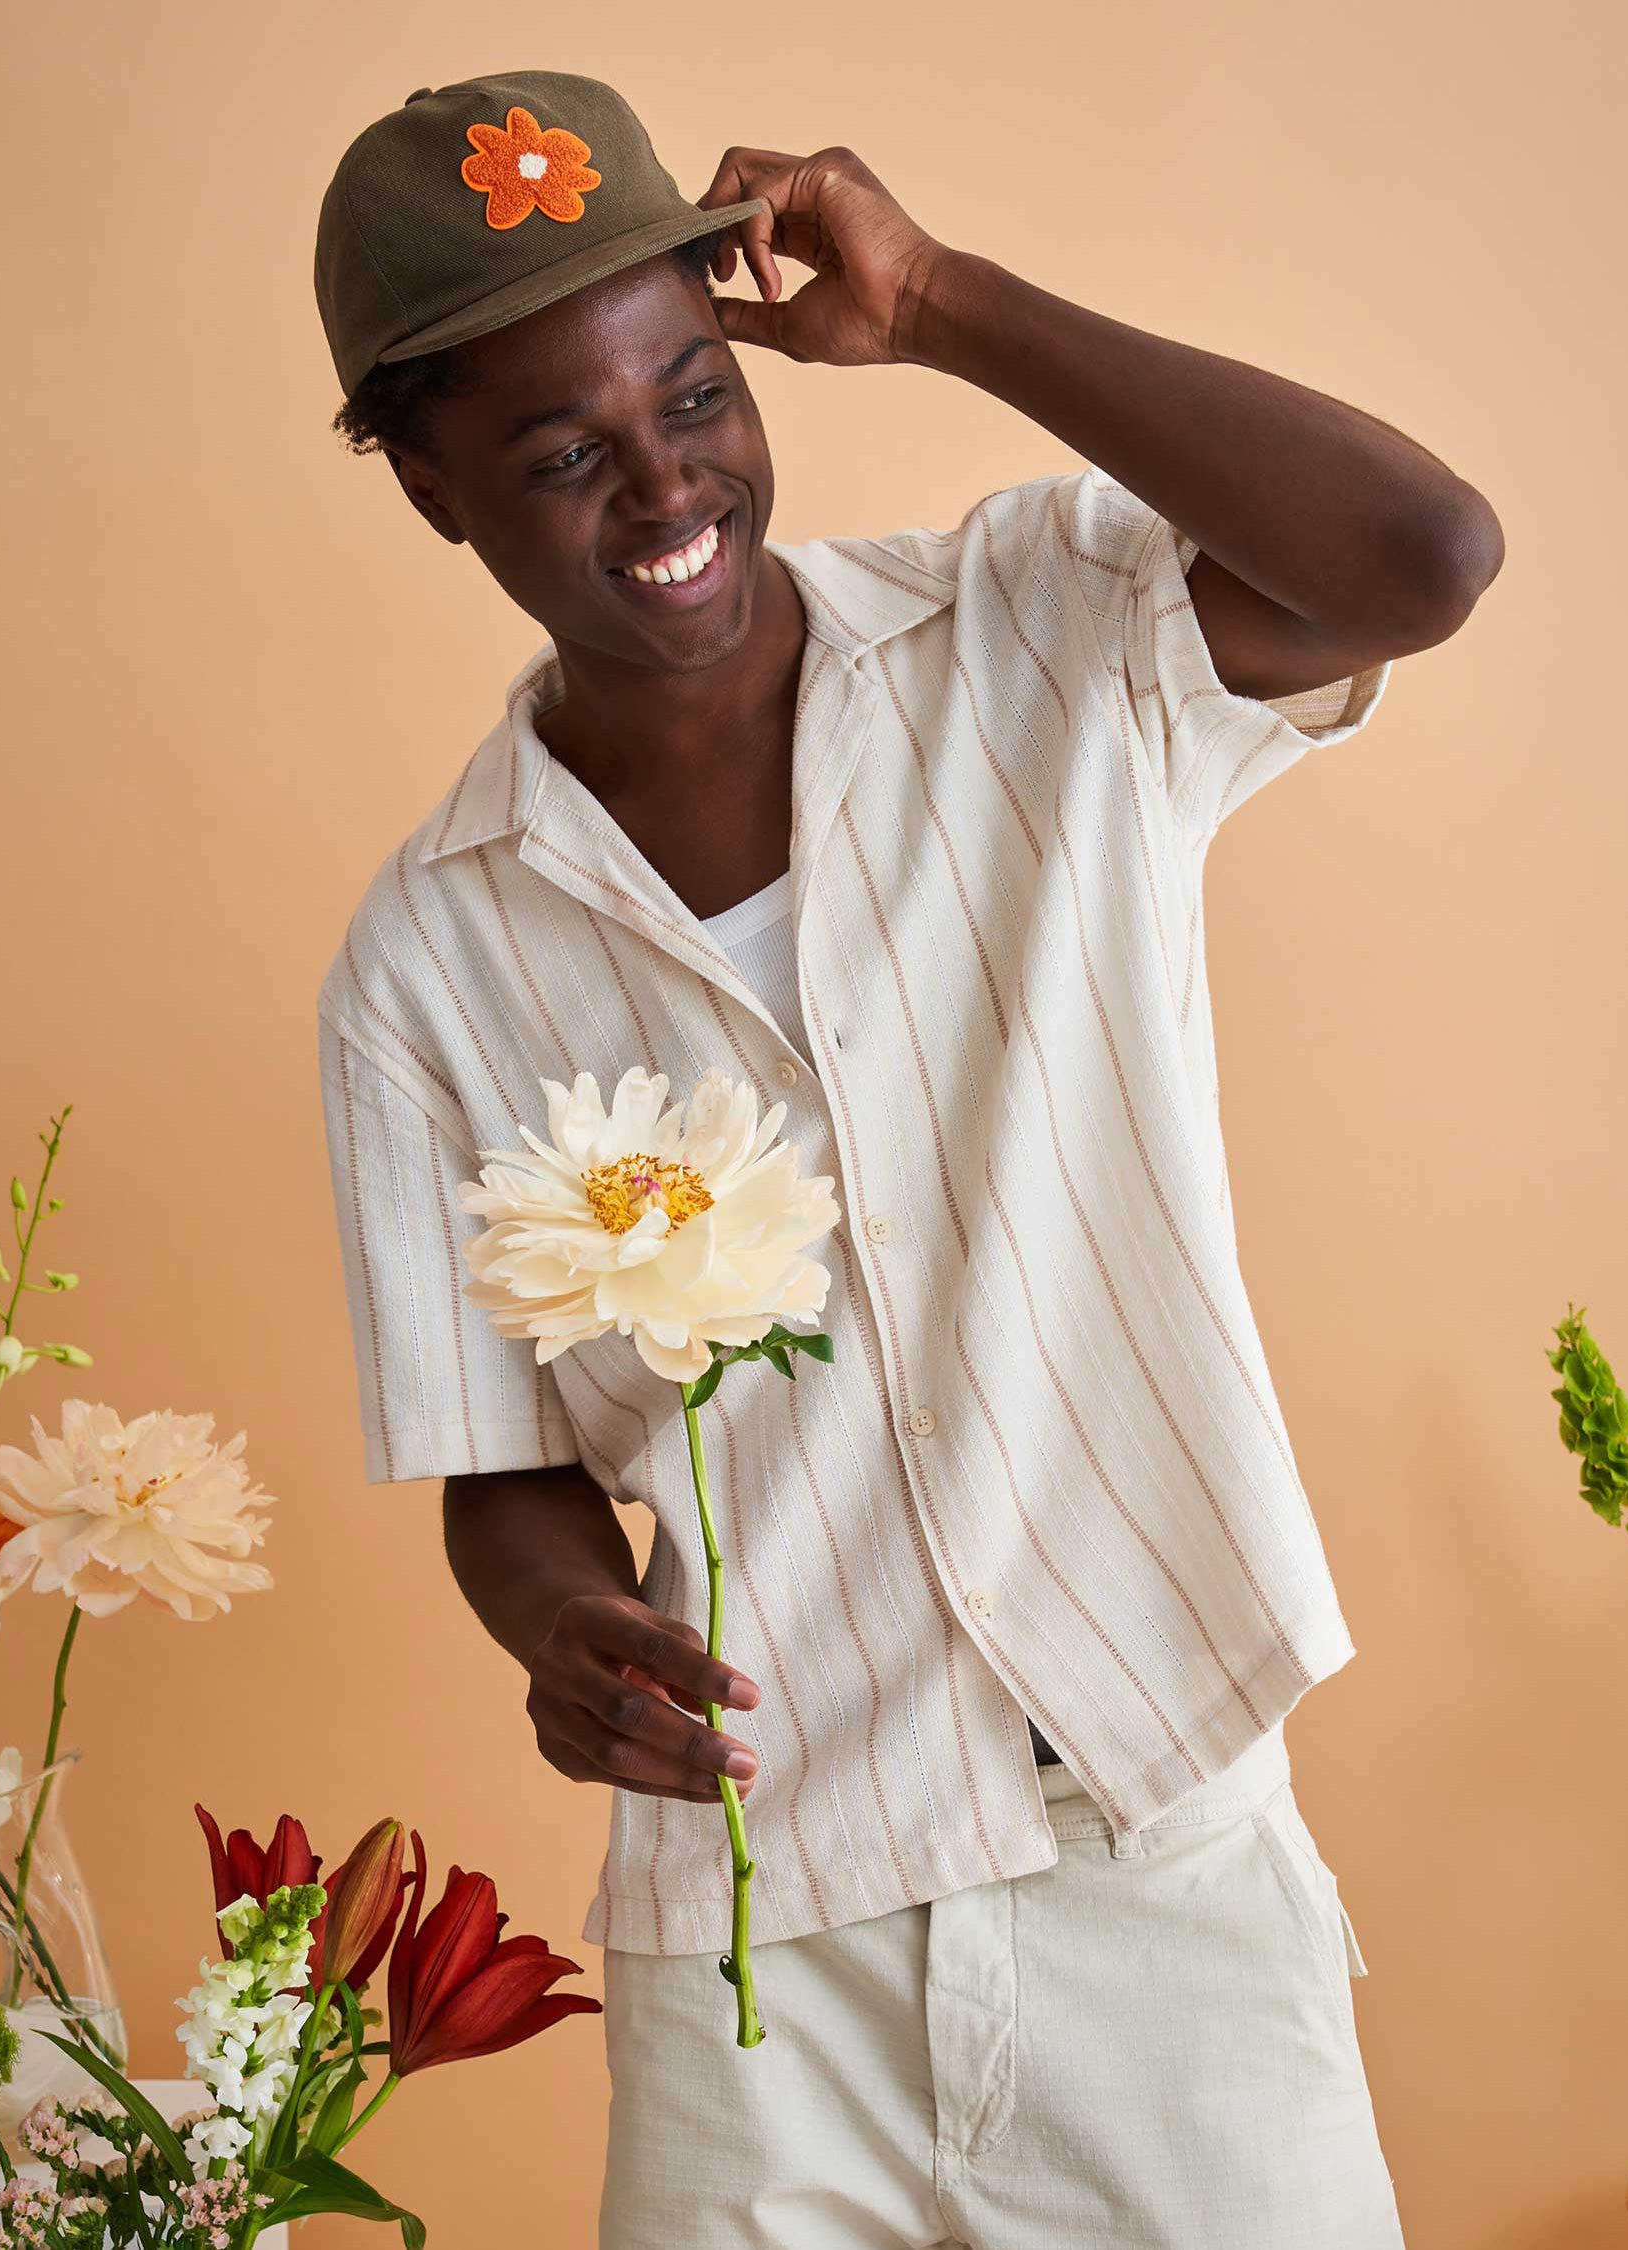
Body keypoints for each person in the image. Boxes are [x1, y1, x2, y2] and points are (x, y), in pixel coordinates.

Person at [312, 68, 1501, 2248]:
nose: (663, 484)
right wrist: (569, 1631)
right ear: (426, 487)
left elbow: (1423, 560)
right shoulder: (430, 961)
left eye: (692, 393)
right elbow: (502, 1470)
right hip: (766, 1955)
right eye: (561, 455)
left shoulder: (1042, 639)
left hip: (1158, 1862)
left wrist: (943, 297)